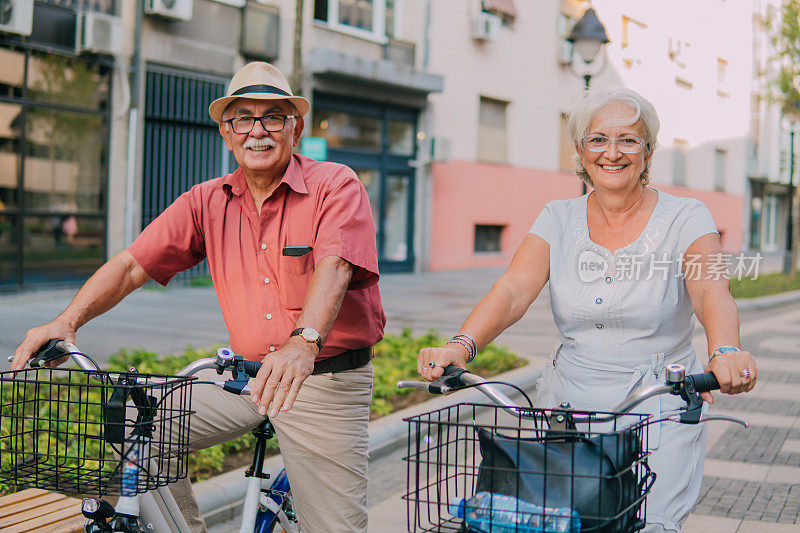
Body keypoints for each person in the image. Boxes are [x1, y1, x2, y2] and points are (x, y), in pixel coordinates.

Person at [12, 61, 385, 533]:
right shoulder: (206, 201)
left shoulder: (336, 185)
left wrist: (302, 343)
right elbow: (131, 265)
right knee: (135, 419)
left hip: (322, 381)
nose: (258, 132)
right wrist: (67, 322)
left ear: (296, 128)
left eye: (273, 116)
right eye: (243, 119)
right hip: (247, 379)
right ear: (226, 134)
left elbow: (336, 265)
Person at [417, 87, 756, 532]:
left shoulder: (686, 217)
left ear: (648, 149)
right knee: (560, 521)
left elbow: (711, 290)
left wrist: (725, 348)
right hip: (567, 402)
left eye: (628, 139)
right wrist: (462, 344)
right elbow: (514, 289)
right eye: (598, 140)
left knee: (648, 523)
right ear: (580, 150)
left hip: (659, 400)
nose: (612, 153)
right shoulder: (558, 217)